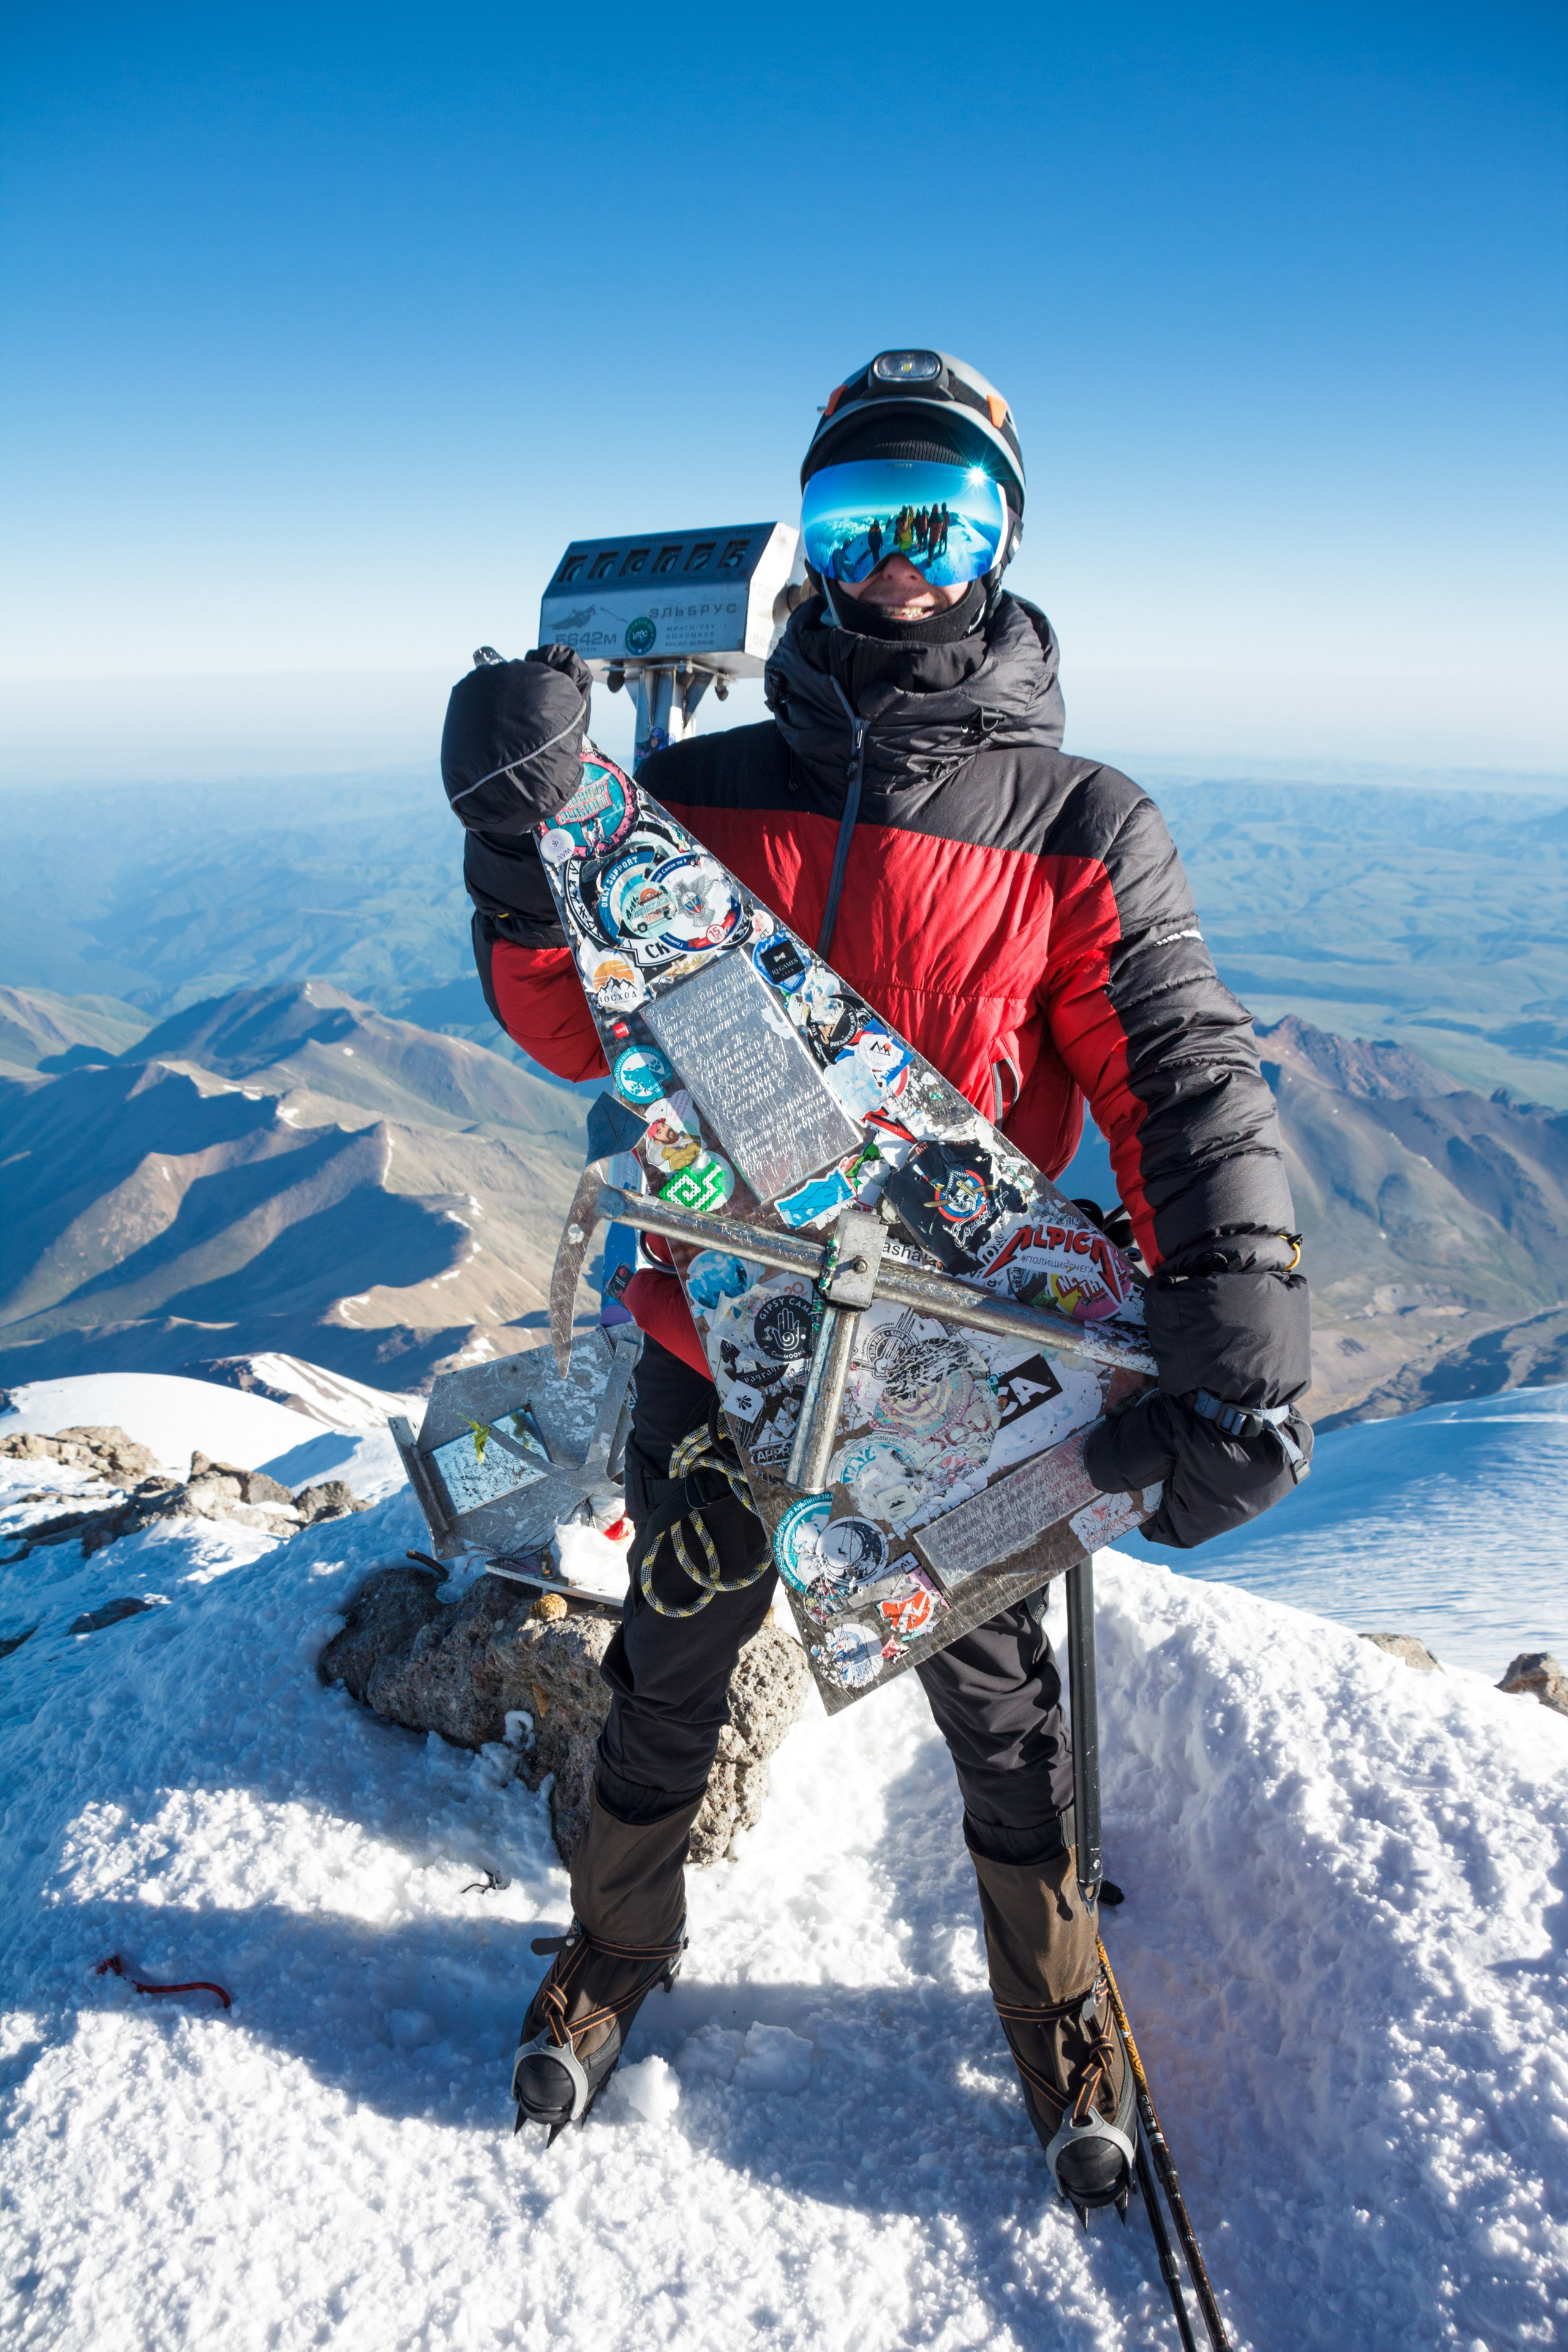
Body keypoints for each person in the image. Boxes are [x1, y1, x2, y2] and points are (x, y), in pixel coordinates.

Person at [440, 347, 1312, 2209]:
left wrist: (1236, 1292)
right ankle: (613, 1947)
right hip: (718, 1334)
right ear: (805, 548)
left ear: (1002, 543)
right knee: (670, 1656)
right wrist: (525, 865)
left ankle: (1058, 1994)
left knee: (1001, 1705)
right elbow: (583, 1032)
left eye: (947, 517)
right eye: (861, 518)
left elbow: (1173, 1061)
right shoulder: (701, 785)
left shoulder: (1078, 823)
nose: (903, 560)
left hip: (954, 1370)